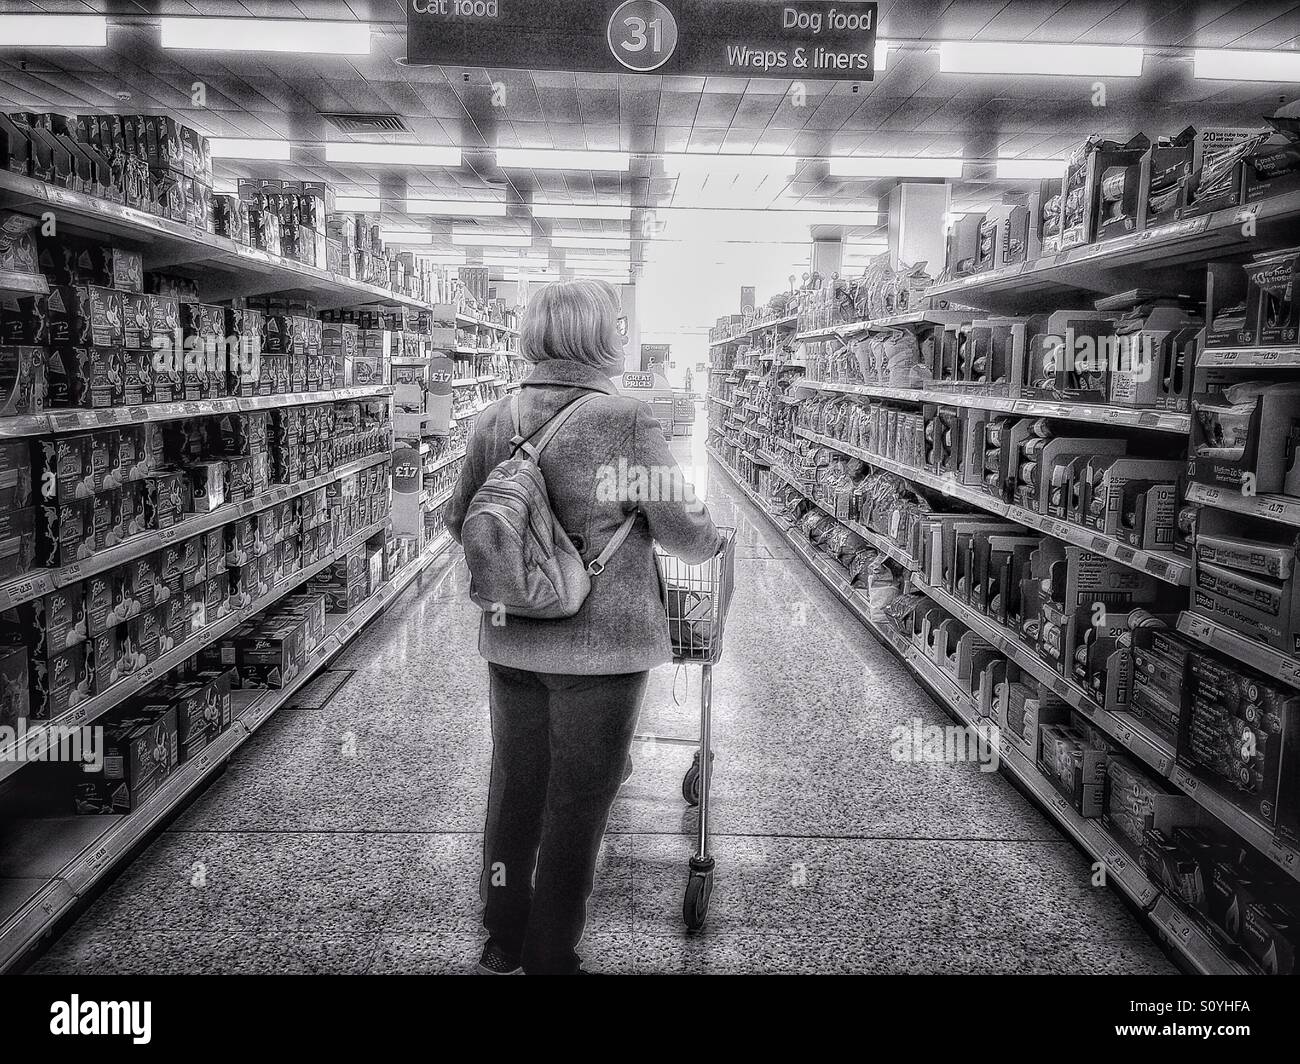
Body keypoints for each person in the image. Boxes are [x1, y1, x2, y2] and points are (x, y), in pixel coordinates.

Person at [446, 278, 723, 976]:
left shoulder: (493, 416)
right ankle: (550, 952)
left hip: (511, 634)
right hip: (600, 652)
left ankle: (503, 933)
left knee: (514, 789)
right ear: (602, 336)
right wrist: (713, 540)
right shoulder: (625, 420)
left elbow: (461, 522)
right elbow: (683, 533)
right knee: (577, 804)